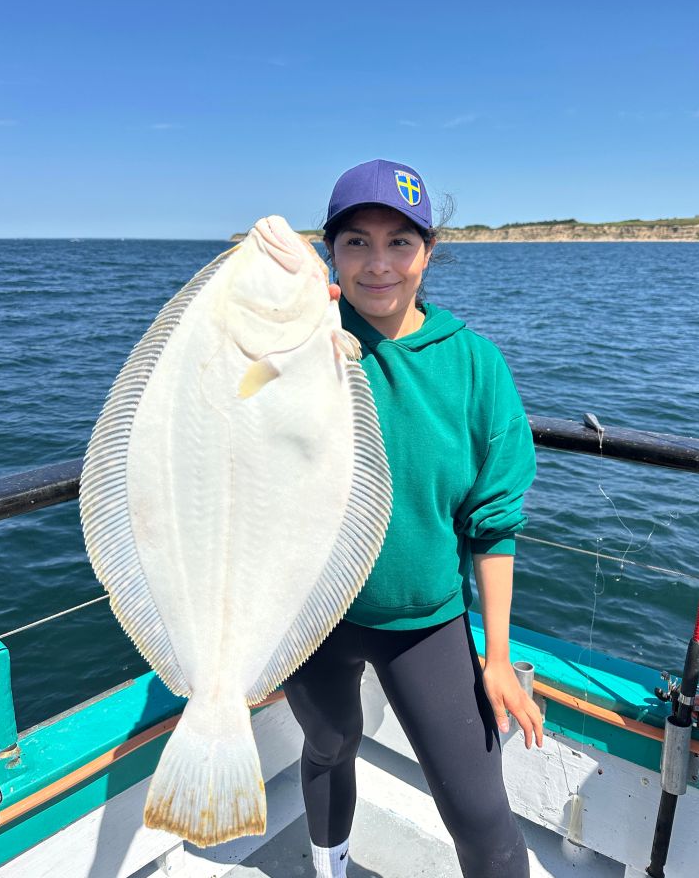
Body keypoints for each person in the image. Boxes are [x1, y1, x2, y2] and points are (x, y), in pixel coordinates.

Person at [283, 158, 542, 878]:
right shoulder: (294, 344)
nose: (378, 265)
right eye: (356, 242)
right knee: (329, 743)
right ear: (327, 253)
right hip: (314, 611)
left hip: (426, 617)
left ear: (429, 251)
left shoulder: (474, 365)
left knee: (481, 816)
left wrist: (496, 659)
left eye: (400, 242)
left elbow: (494, 522)